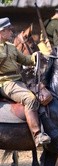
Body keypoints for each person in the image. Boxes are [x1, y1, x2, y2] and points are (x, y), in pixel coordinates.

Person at [0, 17, 51, 147]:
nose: (12, 33)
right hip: (6, 83)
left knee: (44, 94)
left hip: (20, 80)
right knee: (30, 99)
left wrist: (36, 56)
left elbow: (25, 60)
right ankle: (37, 135)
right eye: (9, 30)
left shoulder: (11, 47)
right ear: (1, 32)